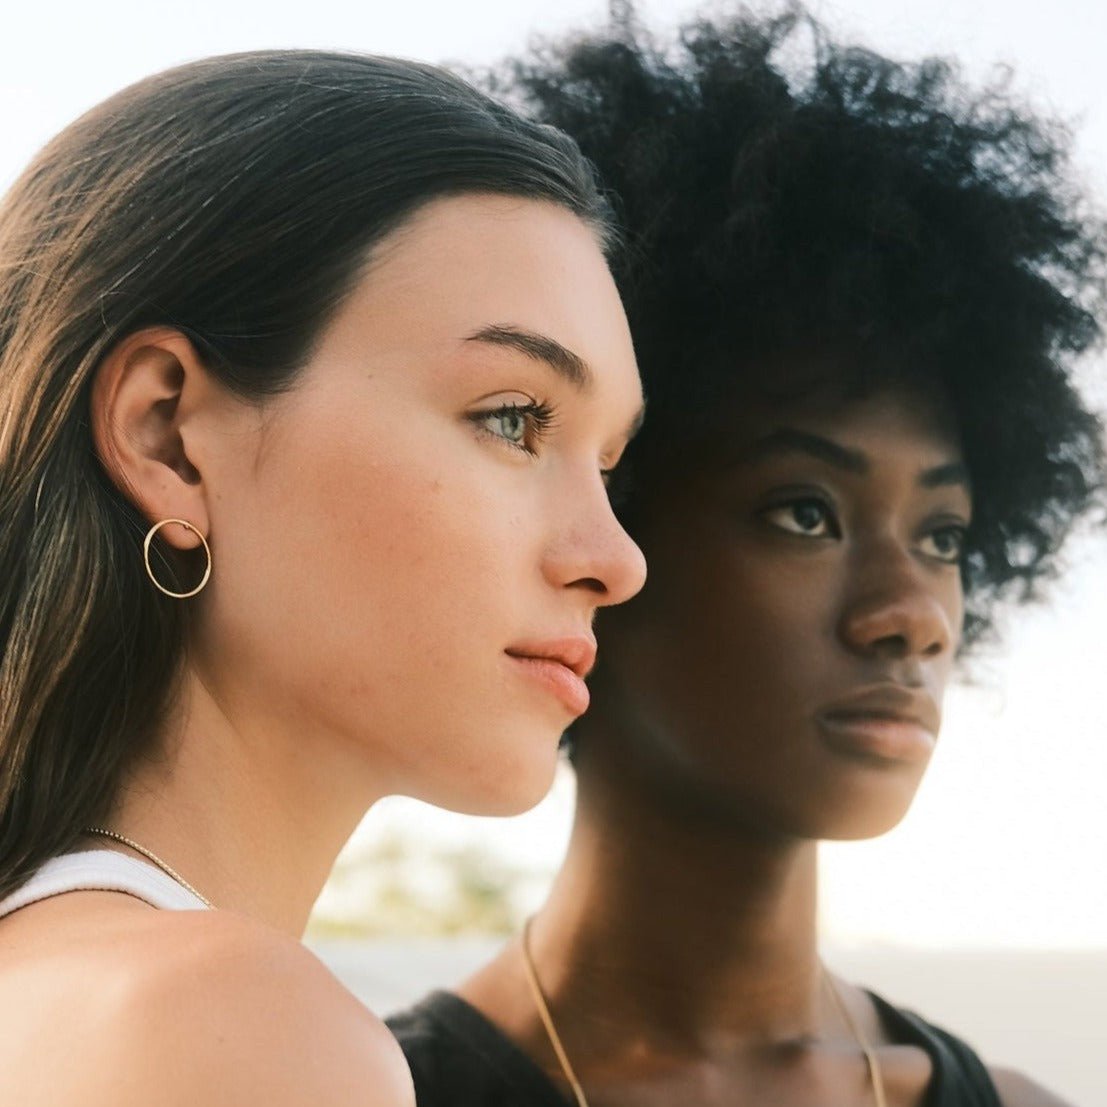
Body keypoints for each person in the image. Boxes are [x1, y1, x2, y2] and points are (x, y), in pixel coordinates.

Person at [388, 8, 1105, 1106]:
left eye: (946, 536)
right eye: (805, 512)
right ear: (604, 533)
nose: (913, 614)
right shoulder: (352, 1087)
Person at [0, 49, 647, 1105]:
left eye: (609, 463)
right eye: (512, 419)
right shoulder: (231, 1025)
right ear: (166, 435)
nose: (616, 559)